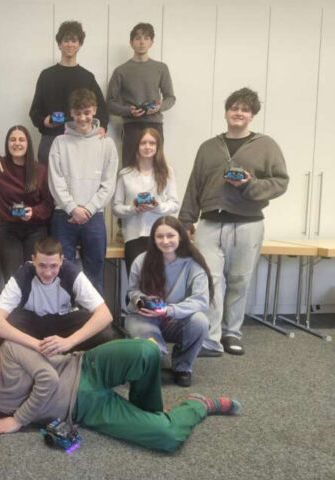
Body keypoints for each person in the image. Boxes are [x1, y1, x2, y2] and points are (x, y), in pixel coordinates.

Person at [0, 336, 242, 452]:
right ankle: (197, 406)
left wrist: (17, 420)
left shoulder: (9, 349)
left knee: (147, 352)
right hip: (84, 409)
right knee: (167, 436)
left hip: (87, 366)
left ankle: (149, 412)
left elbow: (48, 379)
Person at [179, 87, 289, 356]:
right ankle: (211, 337)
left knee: (239, 280)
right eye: (234, 108)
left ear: (252, 115)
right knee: (210, 280)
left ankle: (232, 332)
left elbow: (280, 182)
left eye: (245, 110)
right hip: (210, 223)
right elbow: (195, 184)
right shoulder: (208, 147)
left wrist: (249, 185)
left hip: (248, 223)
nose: (239, 113)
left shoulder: (266, 145)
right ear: (227, 112)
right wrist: (186, 220)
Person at [0, 236, 116, 355]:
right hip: (32, 325)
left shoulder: (71, 272)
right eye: (42, 265)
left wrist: (69, 342)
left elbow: (105, 314)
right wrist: (36, 344)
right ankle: (42, 353)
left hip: (64, 323)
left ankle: (61, 353)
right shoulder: (23, 275)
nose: (48, 273)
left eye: (54, 266)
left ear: (61, 260)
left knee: (105, 331)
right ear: (33, 260)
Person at [125, 216, 212, 387]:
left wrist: (169, 310)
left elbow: (201, 301)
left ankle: (183, 367)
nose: (165, 241)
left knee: (200, 321)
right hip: (145, 317)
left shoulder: (194, 264)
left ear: (181, 236)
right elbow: (132, 291)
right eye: (160, 236)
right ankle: (154, 361)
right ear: (153, 239)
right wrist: (140, 300)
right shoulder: (141, 260)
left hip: (176, 319)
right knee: (151, 350)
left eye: (170, 235)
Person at [48, 88, 118, 294]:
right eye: (78, 113)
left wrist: (88, 209)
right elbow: (55, 180)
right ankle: (65, 313)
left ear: (94, 110)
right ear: (71, 113)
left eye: (87, 112)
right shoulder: (59, 142)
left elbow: (109, 183)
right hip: (64, 216)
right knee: (63, 274)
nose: (82, 118)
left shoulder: (107, 144)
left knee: (94, 276)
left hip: (94, 216)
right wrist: (72, 208)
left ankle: (94, 315)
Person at [0, 126, 54, 281]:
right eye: (12, 140)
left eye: (21, 140)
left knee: (33, 276)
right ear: (7, 143)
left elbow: (48, 205)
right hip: (8, 230)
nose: (17, 143)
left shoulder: (40, 170)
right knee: (14, 279)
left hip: (35, 229)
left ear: (28, 143)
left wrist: (33, 212)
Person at [29, 20, 109, 165]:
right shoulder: (46, 76)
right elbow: (34, 111)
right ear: (59, 44)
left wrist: (102, 127)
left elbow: (102, 109)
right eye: (66, 40)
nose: (70, 44)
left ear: (79, 44)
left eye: (74, 40)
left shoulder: (87, 77)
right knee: (47, 179)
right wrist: (44, 121)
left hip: (80, 140)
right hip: (51, 139)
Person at [107, 22, 175, 167]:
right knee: (130, 167)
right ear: (131, 42)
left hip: (155, 124)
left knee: (156, 167)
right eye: (138, 38)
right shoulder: (121, 71)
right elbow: (110, 102)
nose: (142, 42)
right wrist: (128, 111)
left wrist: (160, 107)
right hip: (131, 126)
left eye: (146, 38)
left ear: (152, 42)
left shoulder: (161, 68)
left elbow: (170, 97)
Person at [112, 128, 179, 275]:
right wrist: (132, 209)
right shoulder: (125, 174)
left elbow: (175, 204)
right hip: (133, 237)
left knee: (160, 282)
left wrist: (158, 207)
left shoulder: (167, 172)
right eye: (143, 143)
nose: (147, 147)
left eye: (152, 143)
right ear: (137, 145)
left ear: (157, 146)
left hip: (161, 237)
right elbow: (115, 208)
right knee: (136, 282)